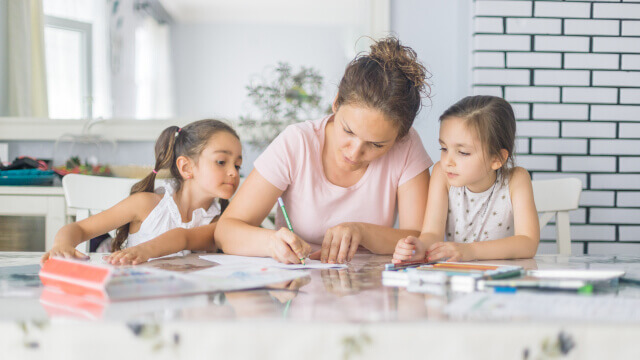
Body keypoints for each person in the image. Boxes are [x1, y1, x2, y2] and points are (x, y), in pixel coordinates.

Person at [215, 36, 433, 264]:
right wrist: (271, 243)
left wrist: (362, 232)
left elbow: (418, 238)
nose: (355, 152)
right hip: (298, 288)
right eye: (348, 131)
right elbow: (226, 232)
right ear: (336, 103)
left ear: (399, 136)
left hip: (371, 290)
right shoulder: (297, 143)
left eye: (376, 145)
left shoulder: (407, 146)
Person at [41, 119, 242, 265]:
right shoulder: (146, 204)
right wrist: (62, 245)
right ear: (187, 167)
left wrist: (144, 251)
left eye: (238, 165)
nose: (233, 172)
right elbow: (80, 229)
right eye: (221, 162)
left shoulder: (221, 221)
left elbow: (183, 238)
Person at [392, 96, 540, 263]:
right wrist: (419, 247)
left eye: (463, 152)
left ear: (497, 158)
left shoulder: (516, 180)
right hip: (458, 278)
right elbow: (432, 233)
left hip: (498, 279)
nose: (448, 161)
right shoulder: (441, 174)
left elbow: (528, 243)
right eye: (444, 148)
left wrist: (472, 251)